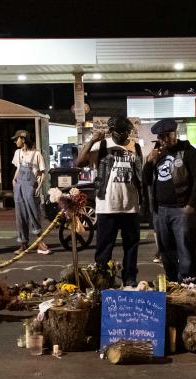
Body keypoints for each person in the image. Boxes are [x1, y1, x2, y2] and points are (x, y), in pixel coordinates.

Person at [77, 116, 143, 286]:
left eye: (126, 132)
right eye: (119, 132)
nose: (123, 136)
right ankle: (102, 280)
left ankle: (130, 278)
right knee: (104, 248)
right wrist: (92, 140)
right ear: (111, 131)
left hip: (131, 206)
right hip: (107, 206)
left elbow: (140, 175)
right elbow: (80, 162)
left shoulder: (135, 146)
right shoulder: (102, 145)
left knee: (131, 247)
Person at [142, 118, 196, 282]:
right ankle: (171, 280)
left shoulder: (188, 151)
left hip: (181, 209)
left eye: (166, 136)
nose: (163, 140)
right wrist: (149, 162)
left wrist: (191, 204)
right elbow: (146, 180)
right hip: (160, 209)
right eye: (160, 137)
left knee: (185, 247)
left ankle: (188, 280)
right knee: (165, 249)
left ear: (174, 134)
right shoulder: (158, 154)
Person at [11, 130, 50, 255]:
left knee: (34, 213)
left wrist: (38, 188)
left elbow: (42, 173)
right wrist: (14, 180)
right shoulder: (17, 153)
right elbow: (18, 168)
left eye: (16, 139)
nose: (15, 141)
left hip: (30, 186)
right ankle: (23, 244)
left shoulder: (37, 154)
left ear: (23, 139)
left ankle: (40, 243)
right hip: (19, 186)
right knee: (20, 215)